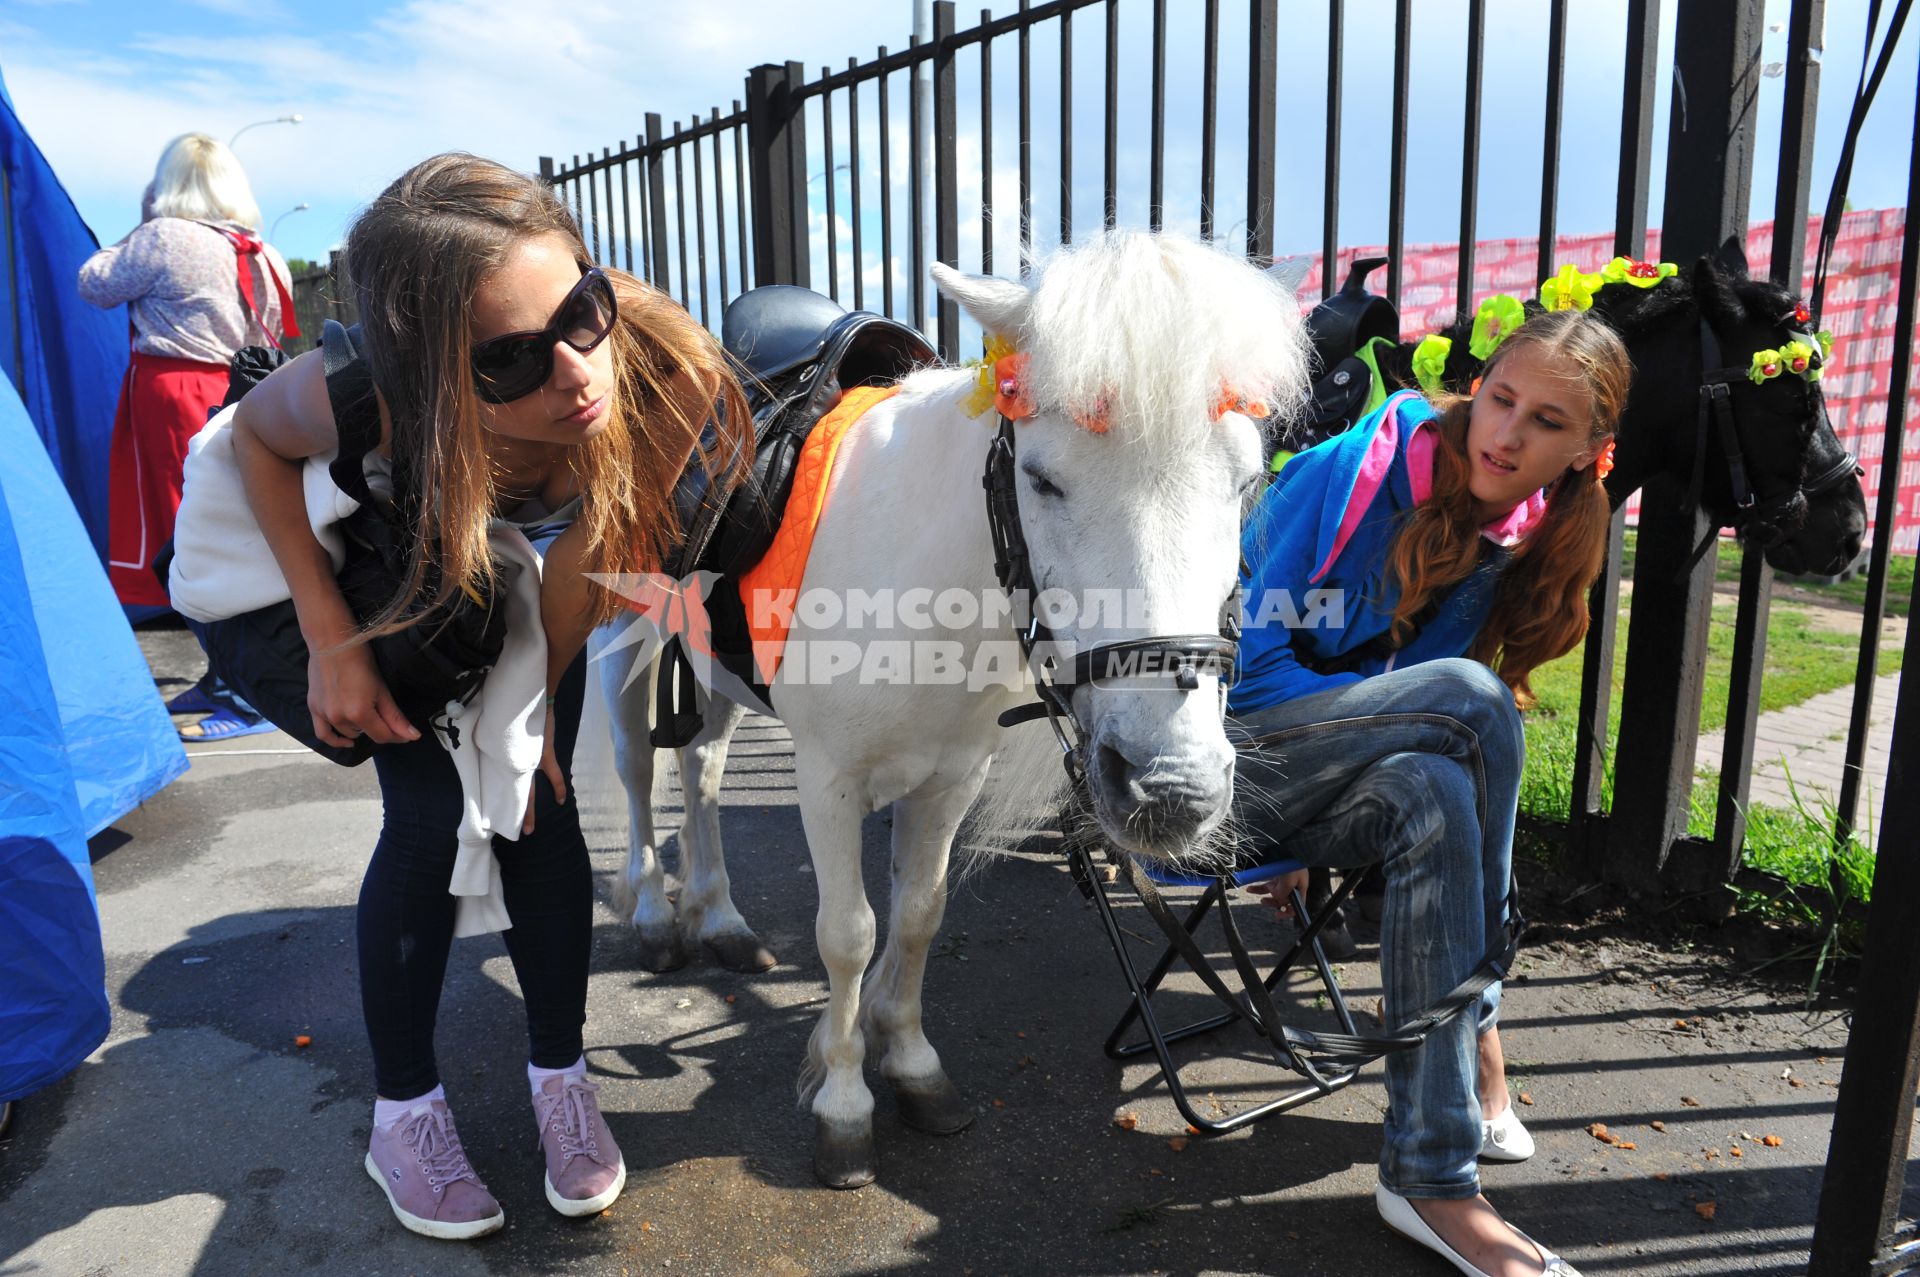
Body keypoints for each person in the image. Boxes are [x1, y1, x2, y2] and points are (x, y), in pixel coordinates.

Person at [225, 153, 748, 1240]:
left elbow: (585, 571)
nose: (576, 372)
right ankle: (402, 1109)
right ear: (425, 376)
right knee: (429, 818)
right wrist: (330, 637)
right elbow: (254, 443)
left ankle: (560, 1076)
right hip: (406, 565)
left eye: (581, 311)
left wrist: (533, 718)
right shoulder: (361, 394)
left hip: (533, 584)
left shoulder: (658, 369)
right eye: (510, 361)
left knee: (536, 806)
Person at [1230, 307, 1628, 1277]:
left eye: (1544, 421)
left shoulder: (1513, 533)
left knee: (1434, 789)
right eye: (1500, 398)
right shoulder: (1344, 475)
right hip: (1218, 767)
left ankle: (1430, 1175)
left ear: (1587, 453)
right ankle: (1483, 1028)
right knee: (1472, 701)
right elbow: (1232, 667)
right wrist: (1284, 841)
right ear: (1476, 386)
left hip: (1337, 782)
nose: (1506, 432)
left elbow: (1416, 736)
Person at [78, 131, 298, 740]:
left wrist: (145, 219)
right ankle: (225, 674)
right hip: (245, 398)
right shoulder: (263, 251)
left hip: (175, 393)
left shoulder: (165, 237)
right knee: (233, 533)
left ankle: (244, 690)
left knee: (189, 541)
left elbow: (94, 283)